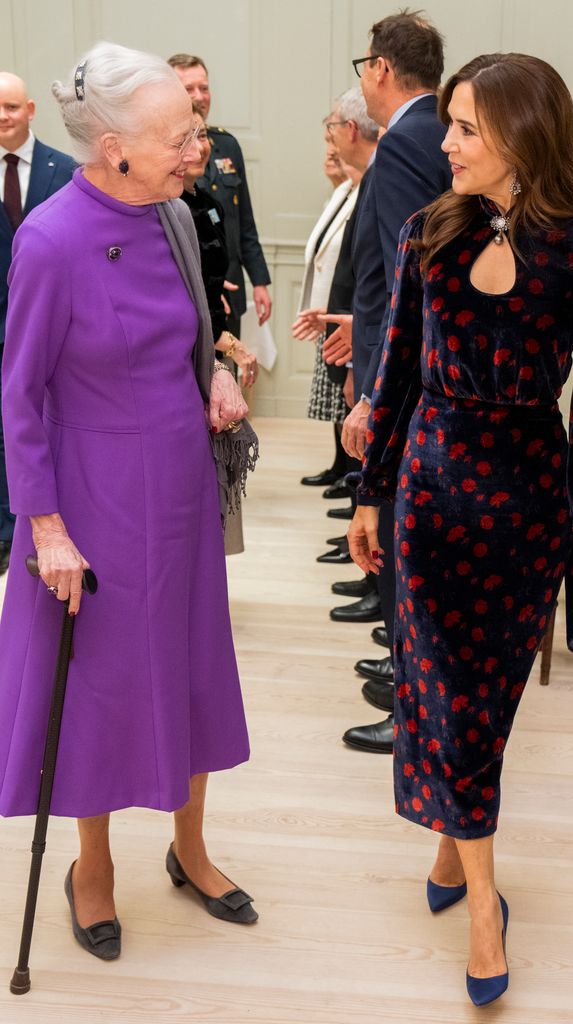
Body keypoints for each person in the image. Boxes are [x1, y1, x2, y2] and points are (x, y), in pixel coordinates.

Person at [348, 52, 573, 1006]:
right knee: (442, 688)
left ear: (522, 134)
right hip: (431, 495)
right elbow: (395, 376)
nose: (449, 144)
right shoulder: (428, 233)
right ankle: (481, 906)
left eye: (467, 128)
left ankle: (449, 844)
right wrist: (371, 494)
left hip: (527, 506)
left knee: (485, 701)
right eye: (451, 125)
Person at [0, 42, 257, 963]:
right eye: (177, 136)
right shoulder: (51, 240)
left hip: (181, 488)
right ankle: (94, 866)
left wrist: (212, 377)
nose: (197, 148)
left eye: (195, 130)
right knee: (99, 689)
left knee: (191, 669)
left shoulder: (177, 217)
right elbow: (18, 395)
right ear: (113, 148)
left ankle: (190, 850)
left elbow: (186, 338)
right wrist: (46, 528)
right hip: (93, 498)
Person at [322, 11, 452, 750]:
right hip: (407, 367)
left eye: (362, 65)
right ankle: (409, 680)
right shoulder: (435, 131)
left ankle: (411, 710)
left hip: (405, 378)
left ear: (379, 68)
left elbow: (410, 277)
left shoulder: (405, 139)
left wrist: (377, 387)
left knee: (402, 544)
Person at [0, 71, 77, 576]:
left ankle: (25, 527)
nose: (2, 117)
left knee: (34, 425)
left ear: (30, 110)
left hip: (45, 329)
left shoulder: (65, 170)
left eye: (10, 107)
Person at [169, 53, 272, 339]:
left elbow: (244, 220)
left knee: (231, 363)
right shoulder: (166, 152)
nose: (199, 96)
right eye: (189, 89)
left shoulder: (227, 145)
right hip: (191, 292)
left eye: (204, 87)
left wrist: (259, 280)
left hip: (231, 283)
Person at [180, 104, 259, 385]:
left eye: (202, 136)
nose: (199, 149)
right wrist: (231, 345)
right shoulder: (166, 209)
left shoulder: (209, 204)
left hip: (212, 337)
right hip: (186, 350)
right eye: (187, 139)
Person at [294, 136, 355, 495]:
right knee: (337, 396)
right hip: (328, 311)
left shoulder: (358, 192)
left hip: (341, 311)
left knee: (346, 395)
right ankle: (340, 467)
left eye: (335, 143)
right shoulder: (341, 192)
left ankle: (351, 474)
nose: (331, 153)